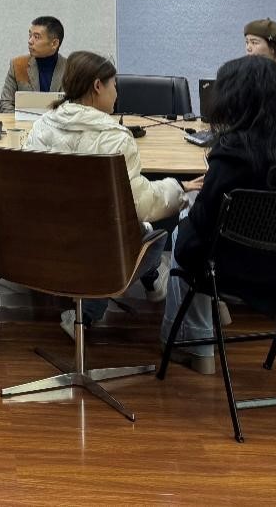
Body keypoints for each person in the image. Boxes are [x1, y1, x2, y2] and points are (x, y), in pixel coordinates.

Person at [160, 54, 276, 372]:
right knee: (204, 232)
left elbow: (203, 223)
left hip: (234, 267)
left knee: (184, 228)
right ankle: (213, 316)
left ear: (233, 98)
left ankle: (196, 345)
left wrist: (192, 197)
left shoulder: (233, 153)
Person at [22, 51, 185, 339]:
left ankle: (91, 310)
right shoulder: (116, 138)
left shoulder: (41, 125)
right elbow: (140, 205)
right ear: (98, 86)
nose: (117, 92)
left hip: (44, 242)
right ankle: (88, 314)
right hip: (98, 252)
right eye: (114, 85)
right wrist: (178, 189)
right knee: (152, 235)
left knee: (120, 230)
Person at [0, 15, 66, 112]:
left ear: (54, 43)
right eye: (30, 36)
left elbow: (78, 107)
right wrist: (19, 121)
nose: (30, 41)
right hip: (21, 121)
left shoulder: (72, 70)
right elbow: (6, 103)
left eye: (36, 37)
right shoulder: (18, 65)